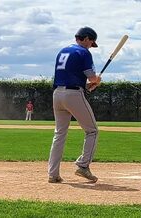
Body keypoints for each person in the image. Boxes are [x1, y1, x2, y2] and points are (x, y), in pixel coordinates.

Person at [48, 27, 101, 184]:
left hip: (57, 94)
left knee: (59, 134)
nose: (91, 45)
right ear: (85, 38)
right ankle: (83, 165)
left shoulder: (63, 51)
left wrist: (88, 84)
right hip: (73, 95)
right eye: (91, 42)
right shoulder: (84, 52)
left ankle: (53, 174)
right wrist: (96, 81)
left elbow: (70, 76)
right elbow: (92, 78)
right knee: (92, 131)